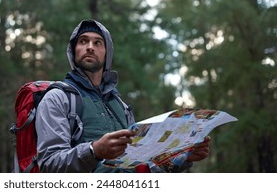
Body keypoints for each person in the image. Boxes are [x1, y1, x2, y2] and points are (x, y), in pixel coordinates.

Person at [35, 19, 210, 173]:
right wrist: (94, 151)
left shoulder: (121, 107)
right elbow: (49, 164)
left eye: (98, 43)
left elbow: (141, 166)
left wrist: (182, 157)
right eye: (83, 41)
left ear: (107, 53)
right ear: (73, 51)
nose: (90, 47)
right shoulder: (58, 98)